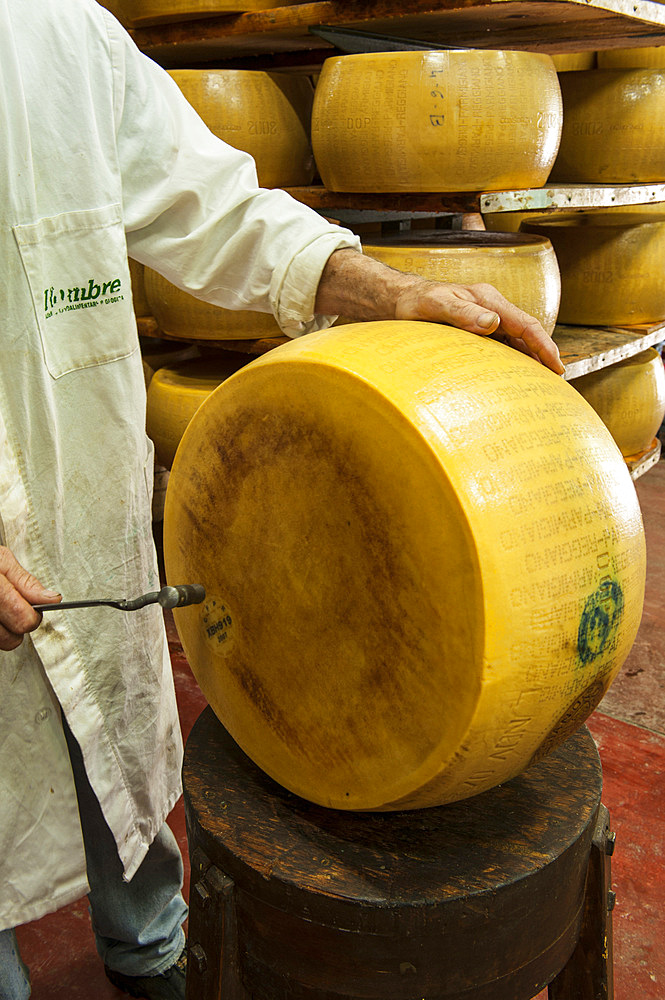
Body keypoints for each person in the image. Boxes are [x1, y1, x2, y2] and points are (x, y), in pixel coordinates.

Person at [0, 1, 564, 997]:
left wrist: (382, 290)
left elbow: (210, 204)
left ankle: (153, 946)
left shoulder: (59, 29)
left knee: (118, 767)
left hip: (78, 509)